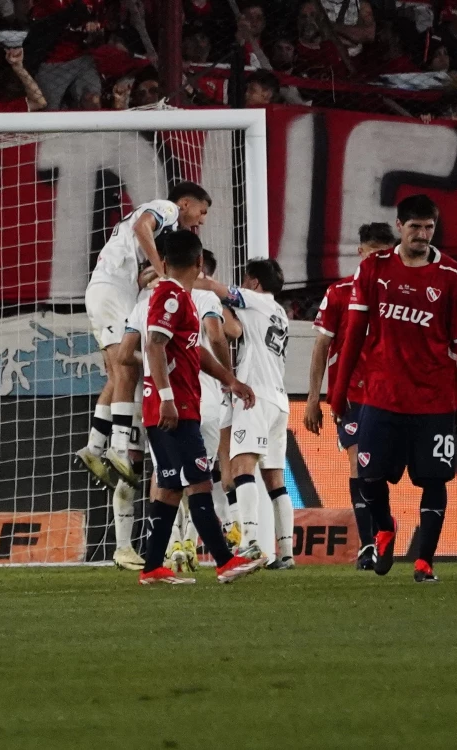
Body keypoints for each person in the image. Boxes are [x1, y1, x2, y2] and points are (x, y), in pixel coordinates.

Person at [330, 195, 457, 583]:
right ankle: (383, 529)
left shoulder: (453, 276)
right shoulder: (374, 269)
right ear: (399, 226)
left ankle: (425, 561)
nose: (422, 234)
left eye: (429, 227)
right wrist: (338, 391)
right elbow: (354, 336)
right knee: (368, 475)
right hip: (381, 397)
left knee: (434, 479)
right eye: (415, 227)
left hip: (433, 400)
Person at [139, 231, 262, 585]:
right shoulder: (172, 295)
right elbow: (155, 346)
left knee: (170, 487)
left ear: (162, 261)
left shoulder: (182, 297)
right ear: (198, 262)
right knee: (199, 483)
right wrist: (167, 399)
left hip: (172, 405)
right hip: (175, 407)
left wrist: (230, 380)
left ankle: (151, 569)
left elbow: (194, 351)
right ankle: (225, 562)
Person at [75, 182, 211, 489]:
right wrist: (163, 272)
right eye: (202, 211)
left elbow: (141, 272)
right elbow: (140, 226)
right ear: (186, 203)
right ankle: (119, 448)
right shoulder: (167, 208)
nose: (201, 220)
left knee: (119, 371)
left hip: (112, 290)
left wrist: (154, 272)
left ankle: (94, 447)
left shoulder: (164, 234)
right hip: (111, 290)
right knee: (127, 368)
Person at [303, 222, 396, 570]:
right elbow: (322, 345)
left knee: (383, 470)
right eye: (373, 252)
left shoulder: (401, 295)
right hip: (353, 393)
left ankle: (384, 529)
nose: (379, 259)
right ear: (361, 252)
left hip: (392, 394)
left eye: (385, 254)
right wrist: (314, 397)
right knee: (360, 462)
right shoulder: (340, 292)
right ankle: (368, 545)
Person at [198, 259, 293, 569]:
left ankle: (250, 542)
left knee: (242, 466)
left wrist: (180, 278)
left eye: (244, 279)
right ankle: (287, 552)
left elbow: (214, 288)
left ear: (253, 282)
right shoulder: (279, 312)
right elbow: (236, 328)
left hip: (256, 396)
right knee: (276, 480)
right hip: (279, 399)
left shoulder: (254, 299)